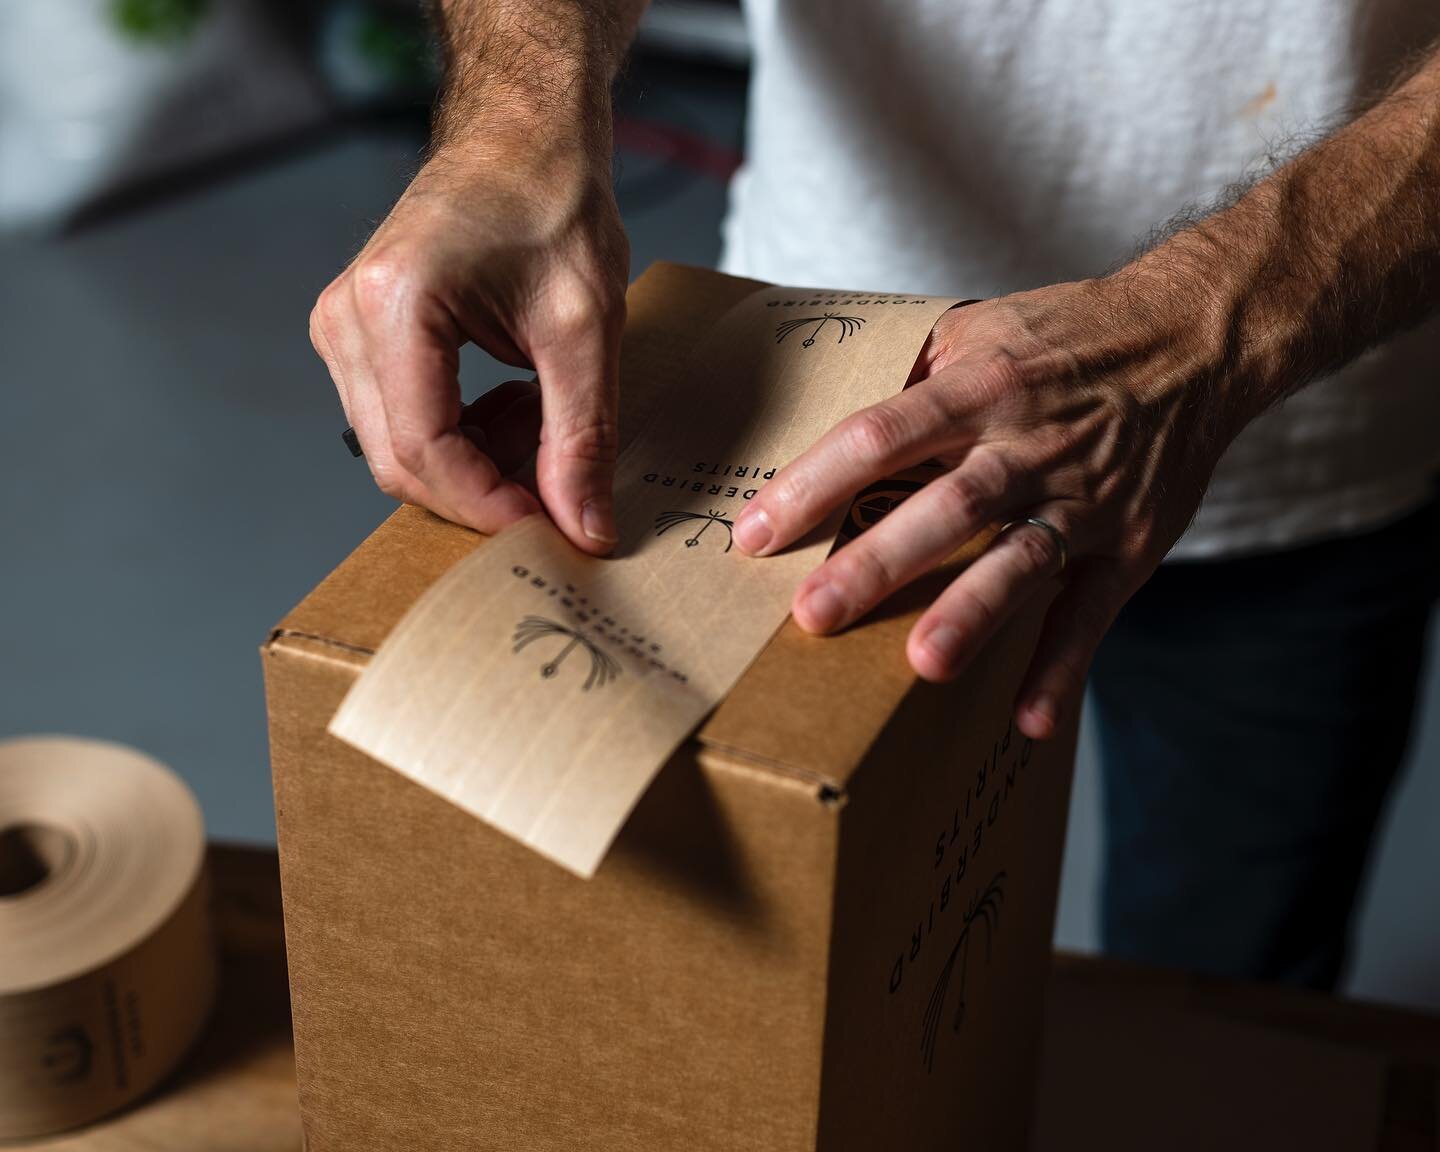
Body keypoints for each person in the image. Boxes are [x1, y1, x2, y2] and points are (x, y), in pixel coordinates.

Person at [309, 0, 1440, 991]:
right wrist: (517, 115)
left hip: (1300, 405)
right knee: (774, 978)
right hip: (815, 393)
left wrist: (1208, 330)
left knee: (1214, 1001)